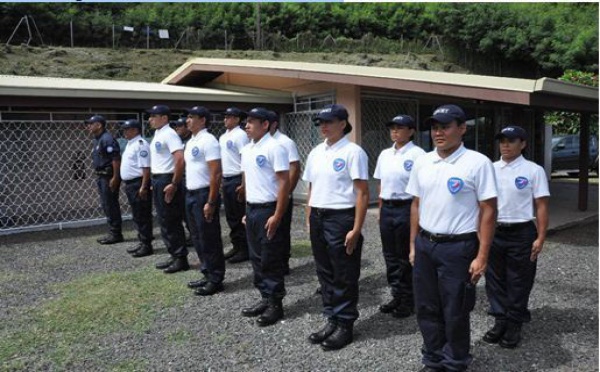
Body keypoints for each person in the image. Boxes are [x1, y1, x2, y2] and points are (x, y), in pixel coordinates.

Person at [406, 104, 497, 372]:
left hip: (458, 248)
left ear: (462, 128)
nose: (438, 132)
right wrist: (413, 244)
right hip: (425, 245)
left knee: (455, 310)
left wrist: (482, 255)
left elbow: (489, 209)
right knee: (426, 307)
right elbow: (415, 204)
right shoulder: (423, 160)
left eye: (445, 126)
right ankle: (433, 359)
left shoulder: (477, 163)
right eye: (435, 127)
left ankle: (455, 362)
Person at [302, 104, 369, 351]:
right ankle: (332, 318)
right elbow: (311, 188)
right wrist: (309, 217)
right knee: (325, 272)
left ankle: (345, 324)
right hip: (319, 217)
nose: (324, 126)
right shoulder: (316, 152)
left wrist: (356, 228)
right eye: (321, 122)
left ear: (343, 123)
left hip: (341, 218)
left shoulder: (353, 152)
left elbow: (362, 193)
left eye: (329, 121)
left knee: (344, 273)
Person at [483, 125, 550, 349]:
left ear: (523, 144)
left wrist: (541, 236)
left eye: (511, 141)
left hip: (521, 231)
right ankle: (500, 319)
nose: (505, 145)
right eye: (502, 140)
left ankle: (514, 323)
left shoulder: (533, 170)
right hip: (495, 231)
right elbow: (482, 205)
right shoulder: (489, 168)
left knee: (519, 280)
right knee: (494, 279)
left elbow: (541, 206)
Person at [239, 107, 290, 327]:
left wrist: (278, 214)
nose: (247, 125)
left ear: (266, 125)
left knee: (271, 258)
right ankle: (264, 297)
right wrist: (246, 212)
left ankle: (275, 304)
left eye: (252, 122)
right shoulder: (248, 149)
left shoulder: (275, 147)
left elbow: (284, 183)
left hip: (269, 209)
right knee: (256, 257)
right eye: (246, 122)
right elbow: (251, 182)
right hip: (252, 210)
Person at [373, 114, 425, 318]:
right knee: (390, 254)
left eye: (400, 127)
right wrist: (379, 208)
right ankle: (396, 294)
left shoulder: (418, 154)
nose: (395, 131)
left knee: (405, 255)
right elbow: (381, 183)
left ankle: (409, 298)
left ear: (411, 131)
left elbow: (421, 188)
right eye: (392, 127)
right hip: (387, 207)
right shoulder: (385, 154)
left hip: (407, 206)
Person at [182, 106, 226, 296]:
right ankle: (206, 271)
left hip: (203, 194)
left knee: (209, 238)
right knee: (198, 237)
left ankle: (216, 278)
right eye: (187, 117)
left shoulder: (209, 141)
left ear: (203, 120)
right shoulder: (191, 141)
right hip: (191, 194)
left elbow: (216, 173)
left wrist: (211, 201)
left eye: (191, 117)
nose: (187, 120)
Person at [147, 104, 189, 274]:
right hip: (158, 179)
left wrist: (174, 183)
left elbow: (179, 160)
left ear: (164, 118)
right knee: (164, 219)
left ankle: (180, 258)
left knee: (171, 219)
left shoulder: (170, 134)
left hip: (167, 179)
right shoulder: (158, 133)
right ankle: (173, 254)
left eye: (153, 116)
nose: (149, 119)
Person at [268, 110, 301, 275]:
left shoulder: (285, 142)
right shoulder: (260, 143)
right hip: (268, 196)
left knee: (282, 229)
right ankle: (272, 262)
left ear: (273, 124)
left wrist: (288, 192)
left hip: (282, 194)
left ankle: (283, 262)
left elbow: (295, 167)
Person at [219, 107, 250, 263]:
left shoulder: (240, 135)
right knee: (231, 216)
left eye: (229, 117)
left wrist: (244, 184)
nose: (225, 119)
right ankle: (236, 245)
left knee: (239, 215)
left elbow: (244, 159)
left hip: (237, 178)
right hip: (227, 179)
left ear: (237, 119)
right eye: (225, 117)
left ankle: (245, 249)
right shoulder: (224, 136)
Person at [85, 114, 123, 244]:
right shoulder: (97, 139)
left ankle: (116, 233)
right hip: (101, 176)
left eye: (90, 123)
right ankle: (112, 231)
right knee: (106, 204)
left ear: (99, 125)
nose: (88, 126)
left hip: (109, 176)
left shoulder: (107, 139)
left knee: (111, 204)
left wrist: (115, 177)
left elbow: (116, 159)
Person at [119, 119, 154, 257]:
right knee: (137, 215)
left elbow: (145, 167)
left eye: (127, 129)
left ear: (135, 130)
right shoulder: (130, 144)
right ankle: (142, 241)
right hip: (131, 184)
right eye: (124, 130)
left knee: (143, 215)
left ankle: (147, 245)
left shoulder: (141, 144)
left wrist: (144, 186)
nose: (125, 132)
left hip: (139, 183)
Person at [171, 116, 193, 247]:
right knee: (182, 210)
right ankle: (190, 233)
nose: (177, 129)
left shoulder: (191, 141)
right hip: (179, 178)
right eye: (176, 127)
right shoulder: (178, 141)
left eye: (179, 126)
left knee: (189, 210)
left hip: (188, 179)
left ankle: (194, 234)